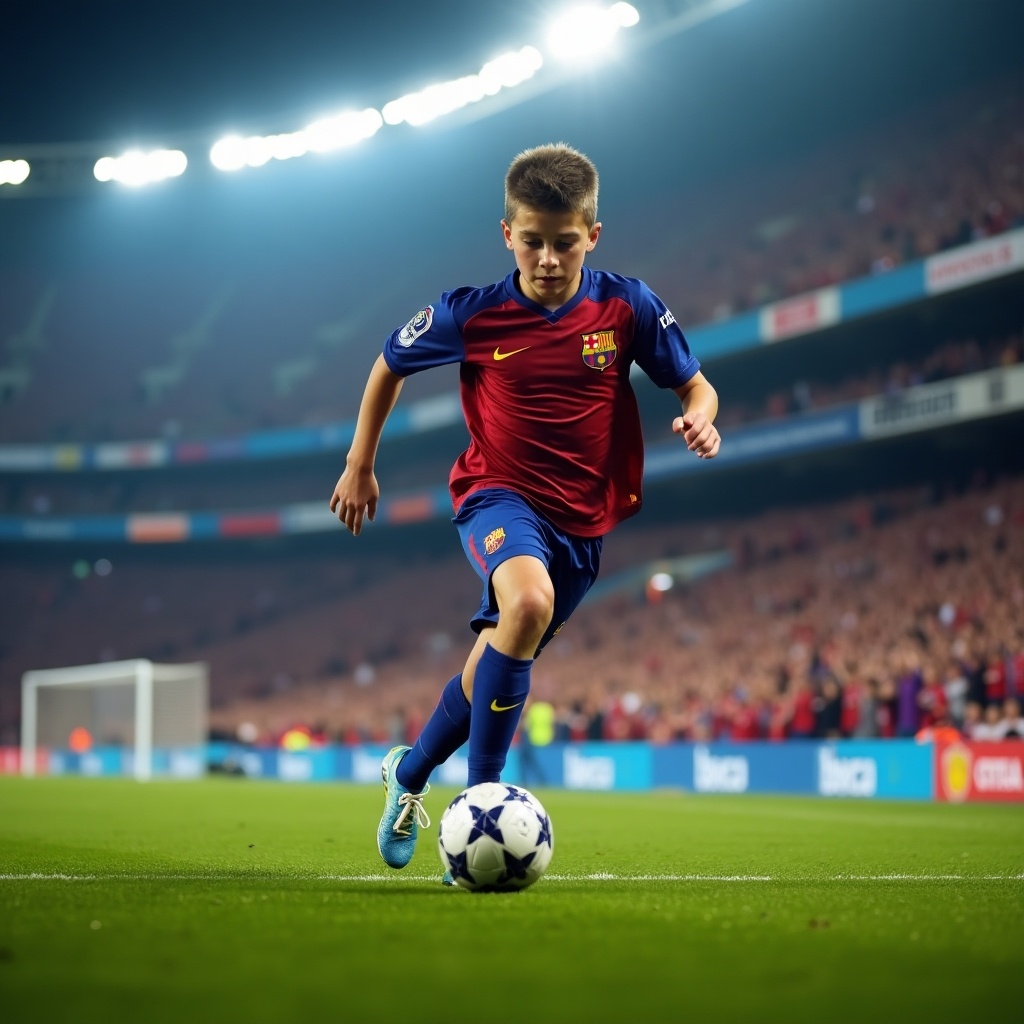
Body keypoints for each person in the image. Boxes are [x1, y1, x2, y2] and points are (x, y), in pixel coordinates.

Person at [330, 143, 721, 883]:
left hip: (583, 521)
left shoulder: (627, 305)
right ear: (506, 234)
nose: (547, 258)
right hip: (496, 494)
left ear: (592, 236)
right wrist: (360, 463)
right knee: (528, 601)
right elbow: (388, 364)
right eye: (532, 241)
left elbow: (697, 386)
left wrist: (701, 418)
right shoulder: (469, 313)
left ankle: (408, 776)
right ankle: (482, 802)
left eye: (564, 242)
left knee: (499, 654)